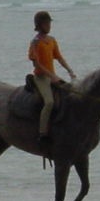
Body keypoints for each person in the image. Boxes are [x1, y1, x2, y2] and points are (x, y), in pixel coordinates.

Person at [27, 11, 76, 142]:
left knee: (70, 94)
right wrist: (52, 76)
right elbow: (37, 64)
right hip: (41, 78)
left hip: (52, 76)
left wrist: (69, 70)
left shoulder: (52, 40)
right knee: (49, 102)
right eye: (46, 23)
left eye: (49, 23)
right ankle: (42, 133)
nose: (49, 26)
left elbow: (59, 57)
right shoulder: (35, 42)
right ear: (39, 25)